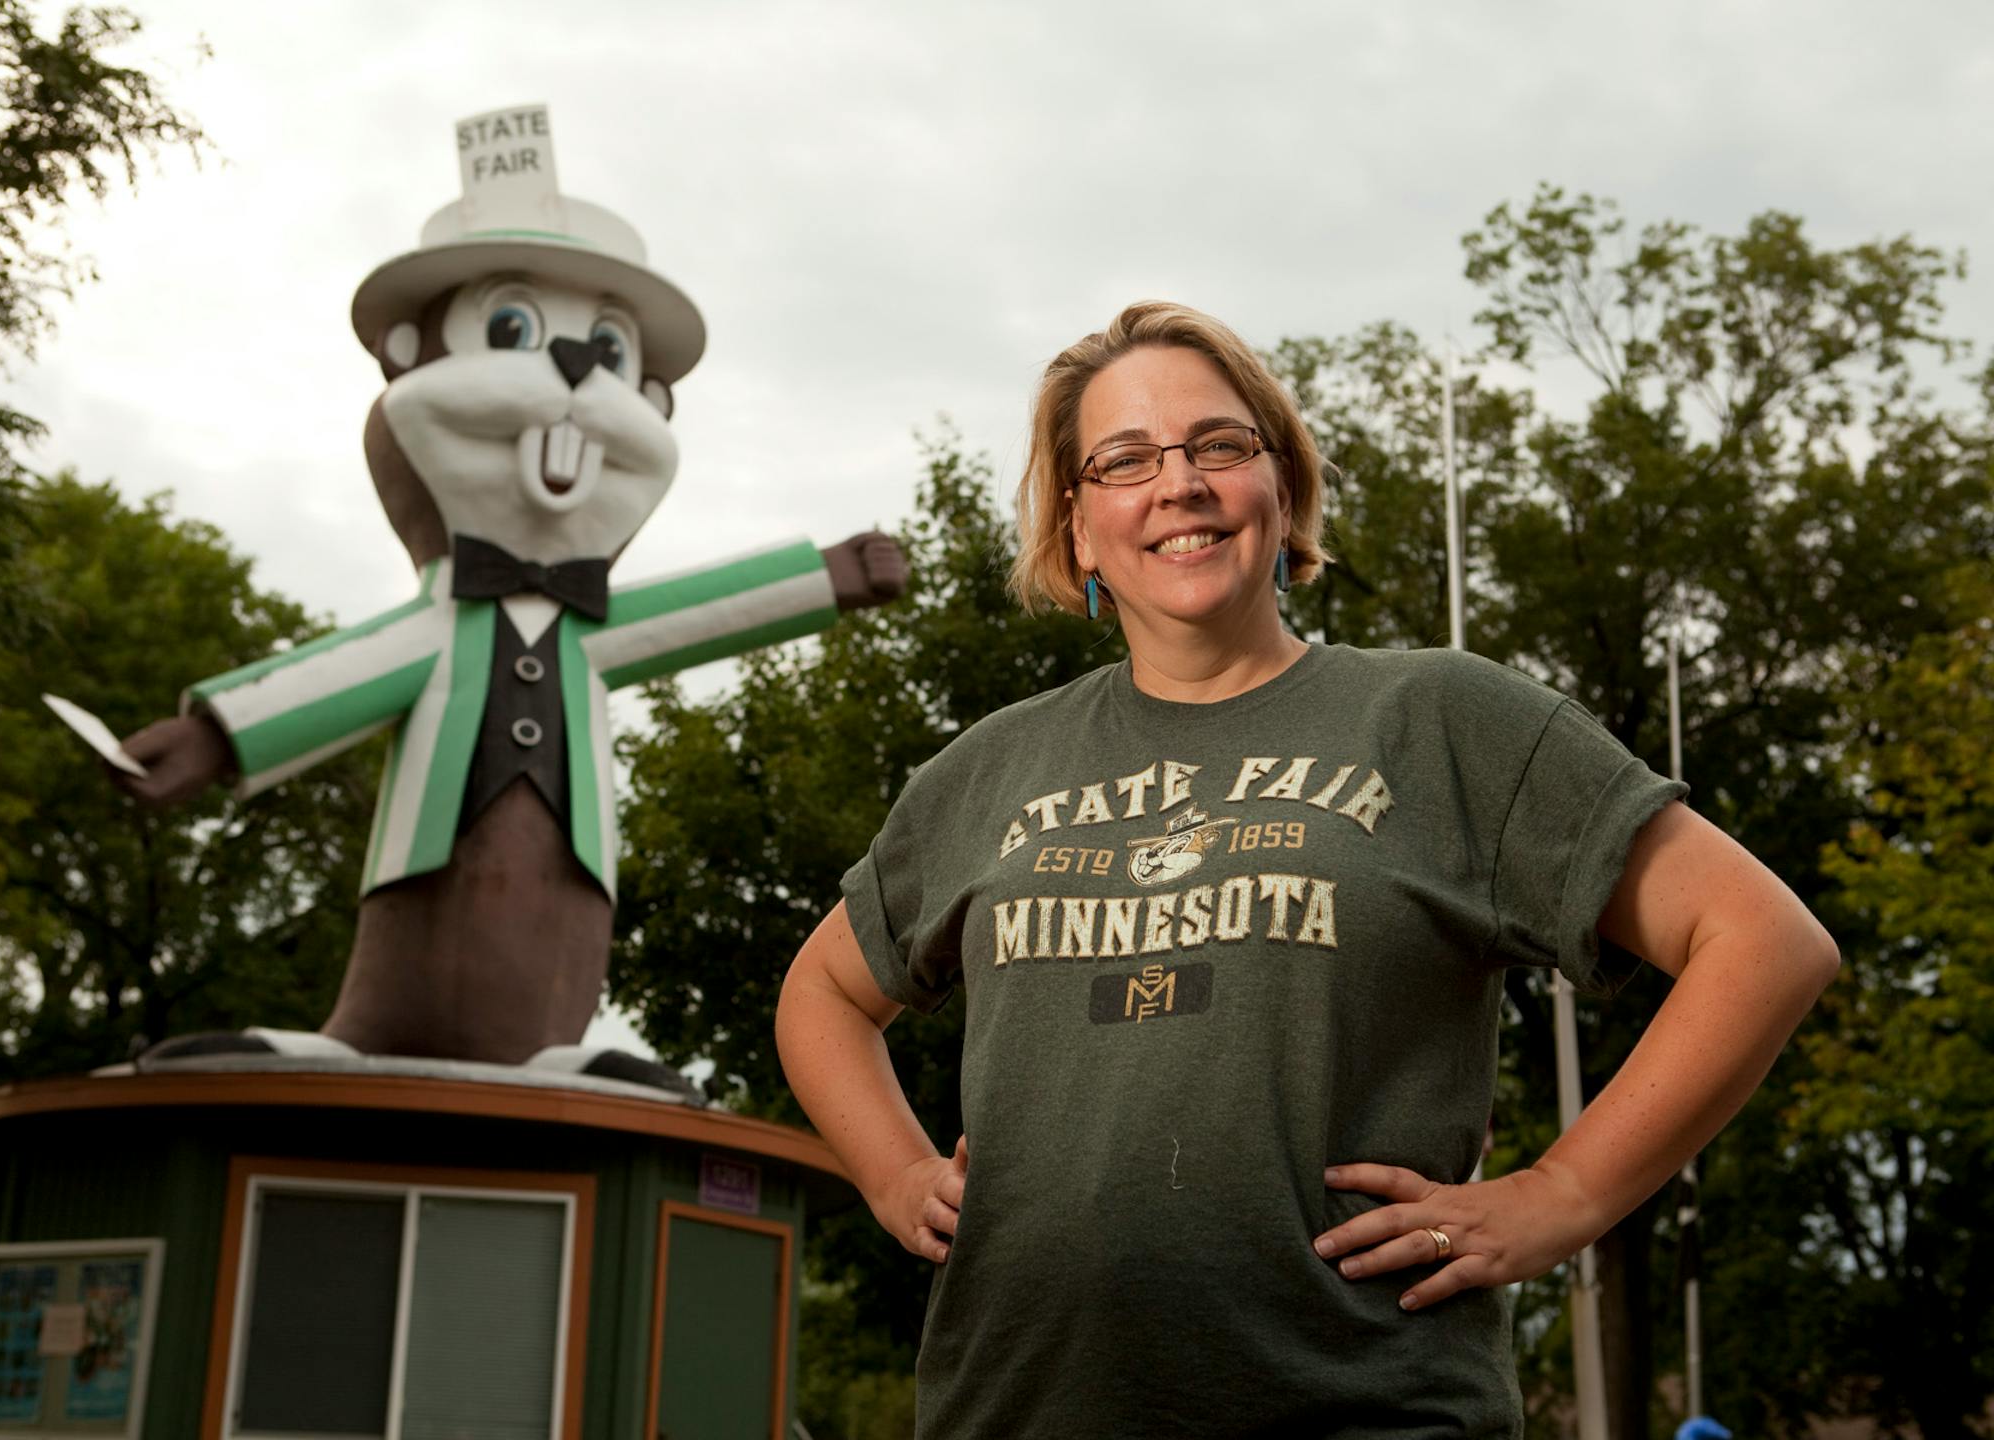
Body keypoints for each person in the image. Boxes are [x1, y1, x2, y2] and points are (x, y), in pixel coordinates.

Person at [775, 301, 1837, 1436]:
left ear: (1282, 489)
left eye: (1218, 445)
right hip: (1015, 1408)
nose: (1177, 483)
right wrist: (895, 1177)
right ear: (1079, 527)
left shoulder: (1436, 716)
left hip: (1366, 1404)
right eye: (1125, 459)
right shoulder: (991, 768)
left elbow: (1765, 942)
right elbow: (825, 994)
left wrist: (1561, 1196)